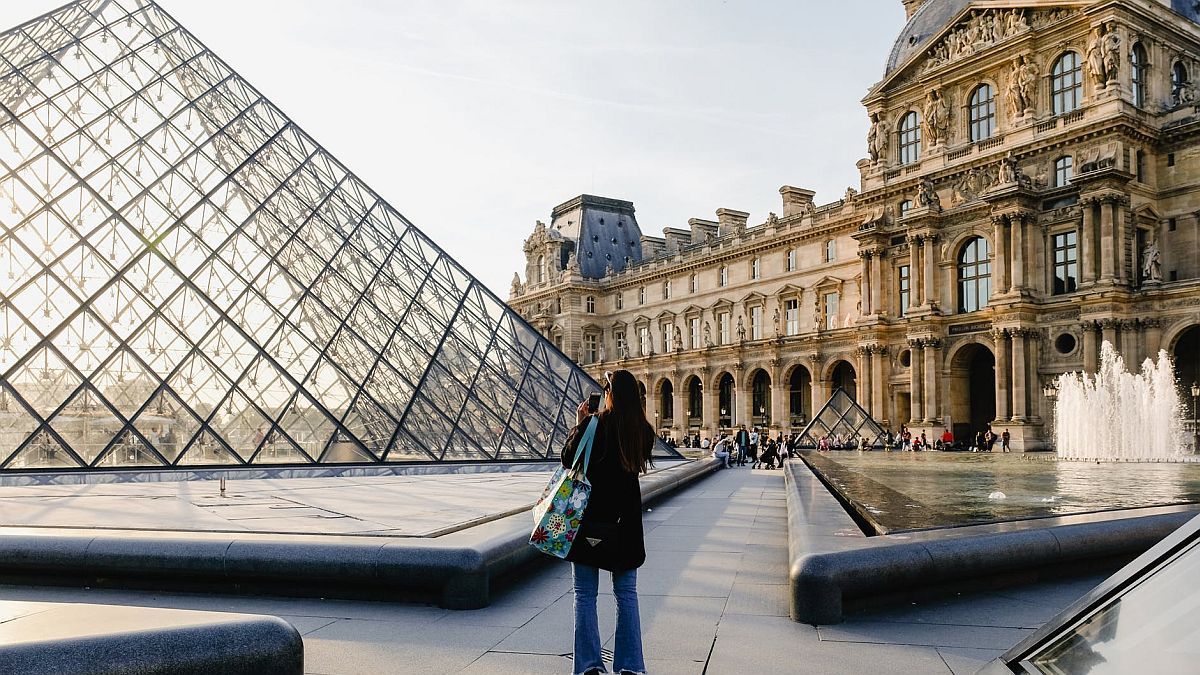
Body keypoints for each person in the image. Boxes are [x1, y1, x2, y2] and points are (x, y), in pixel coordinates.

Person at [561, 370, 653, 675]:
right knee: (626, 595)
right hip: (625, 524)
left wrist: (580, 423)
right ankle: (630, 666)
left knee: (584, 595)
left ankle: (588, 666)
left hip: (590, 520)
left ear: (610, 394)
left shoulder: (594, 424)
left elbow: (568, 459)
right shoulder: (643, 430)